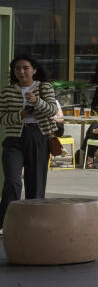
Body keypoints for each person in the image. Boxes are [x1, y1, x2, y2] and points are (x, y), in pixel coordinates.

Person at [1, 53, 61, 228]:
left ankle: (34, 223)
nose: (21, 71)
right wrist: (20, 115)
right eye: (17, 68)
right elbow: (1, 117)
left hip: (38, 136)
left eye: (25, 68)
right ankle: (6, 222)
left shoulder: (45, 87)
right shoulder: (7, 91)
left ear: (34, 70)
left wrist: (37, 101)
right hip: (14, 139)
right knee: (12, 181)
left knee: (35, 181)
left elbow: (51, 111)